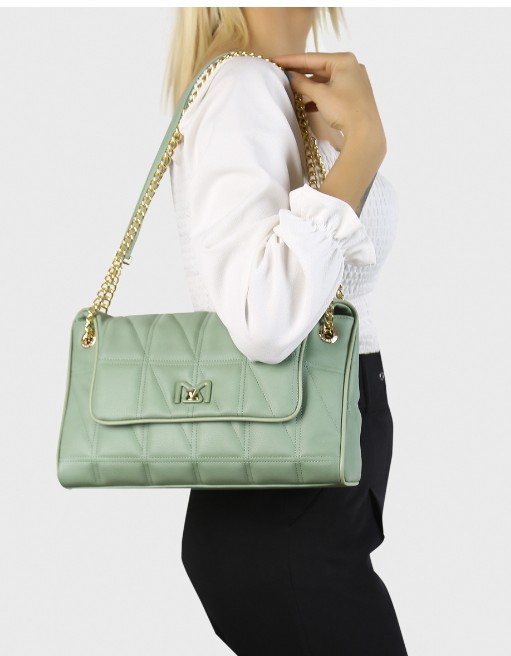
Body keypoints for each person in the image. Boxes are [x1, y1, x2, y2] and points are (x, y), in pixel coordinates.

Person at [165, 7, 408, 655]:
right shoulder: (240, 85)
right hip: (287, 515)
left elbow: (325, 286)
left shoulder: (270, 86)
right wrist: (364, 145)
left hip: (303, 511)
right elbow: (265, 318)